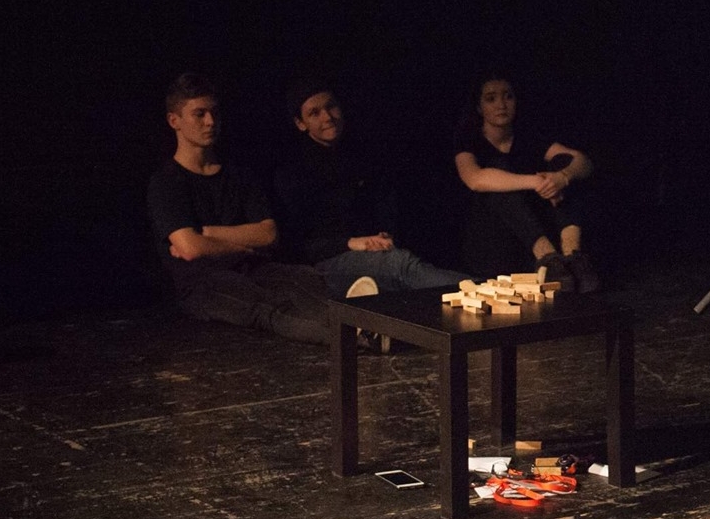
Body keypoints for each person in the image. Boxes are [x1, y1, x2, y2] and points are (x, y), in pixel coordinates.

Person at [146, 73, 362, 346]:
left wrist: (208, 234)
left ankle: (367, 325)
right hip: (203, 281)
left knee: (307, 280)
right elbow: (190, 249)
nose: (210, 121)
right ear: (174, 121)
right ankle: (357, 339)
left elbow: (268, 234)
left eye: (214, 113)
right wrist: (242, 246)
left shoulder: (238, 174)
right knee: (265, 305)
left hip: (254, 267)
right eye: (199, 114)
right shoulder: (167, 182)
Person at [272, 78, 470, 298]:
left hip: (369, 253)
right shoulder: (293, 172)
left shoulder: (361, 156)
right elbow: (295, 244)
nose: (327, 117)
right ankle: (483, 292)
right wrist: (350, 243)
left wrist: (381, 235)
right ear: (301, 123)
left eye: (331, 106)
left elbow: (382, 207)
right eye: (314, 113)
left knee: (415, 251)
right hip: (323, 265)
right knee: (400, 265)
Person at [451, 75, 598, 290]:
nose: (501, 105)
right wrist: (536, 181)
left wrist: (561, 177)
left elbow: (583, 162)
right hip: (493, 240)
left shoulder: (527, 136)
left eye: (508, 97)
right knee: (497, 178)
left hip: (532, 228)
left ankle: (573, 258)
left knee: (564, 166)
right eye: (491, 99)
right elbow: (475, 179)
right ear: (479, 107)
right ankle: (547, 258)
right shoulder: (469, 139)